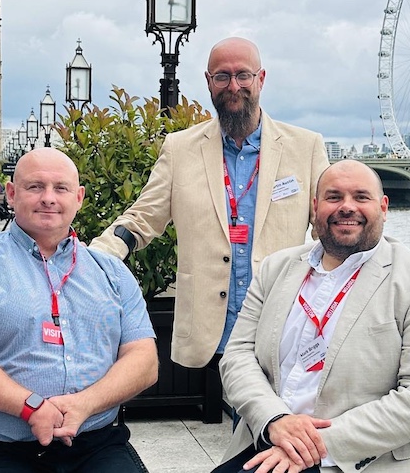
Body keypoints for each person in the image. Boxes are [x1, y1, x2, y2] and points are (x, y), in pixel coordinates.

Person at [90, 37, 330, 370]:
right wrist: (94, 258)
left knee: (267, 419)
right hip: (209, 331)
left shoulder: (306, 148)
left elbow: (328, 231)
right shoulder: (180, 149)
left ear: (261, 79)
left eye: (243, 75)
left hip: (280, 324)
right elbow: (141, 220)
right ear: (208, 82)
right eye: (222, 76)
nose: (234, 86)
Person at [217, 160, 410, 473]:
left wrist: (313, 445)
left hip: (356, 457)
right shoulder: (275, 268)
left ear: (383, 207)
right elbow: (237, 356)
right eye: (334, 197)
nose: (347, 207)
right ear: (315, 206)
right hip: (268, 438)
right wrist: (275, 420)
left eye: (361, 197)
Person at [0, 147, 158, 472]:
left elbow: (144, 361)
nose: (48, 198)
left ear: (78, 197)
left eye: (61, 188)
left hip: (93, 444)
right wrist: (32, 408)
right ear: (11, 194)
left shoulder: (111, 273)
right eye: (35, 187)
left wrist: (85, 404)